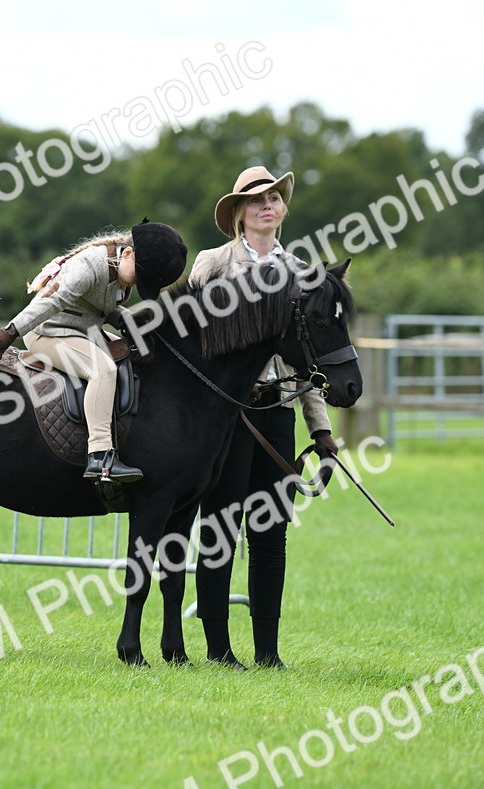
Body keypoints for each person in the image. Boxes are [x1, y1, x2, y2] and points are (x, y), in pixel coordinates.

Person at [188, 166, 340, 669]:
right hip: (227, 417)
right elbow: (190, 335)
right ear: (238, 213)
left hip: (277, 412)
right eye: (255, 200)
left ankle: (269, 654)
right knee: (220, 528)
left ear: (282, 209)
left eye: (273, 198)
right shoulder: (212, 263)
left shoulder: (300, 270)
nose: (266, 206)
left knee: (270, 532)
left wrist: (320, 430)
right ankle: (217, 650)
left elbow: (308, 358)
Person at [0, 220, 187, 482]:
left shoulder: (121, 268)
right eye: (140, 277)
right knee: (102, 371)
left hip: (81, 331)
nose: (137, 284)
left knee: (134, 353)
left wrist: (125, 320)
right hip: (47, 333)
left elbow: (99, 305)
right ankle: (99, 455)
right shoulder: (90, 265)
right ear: (129, 253)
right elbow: (53, 302)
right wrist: (9, 332)